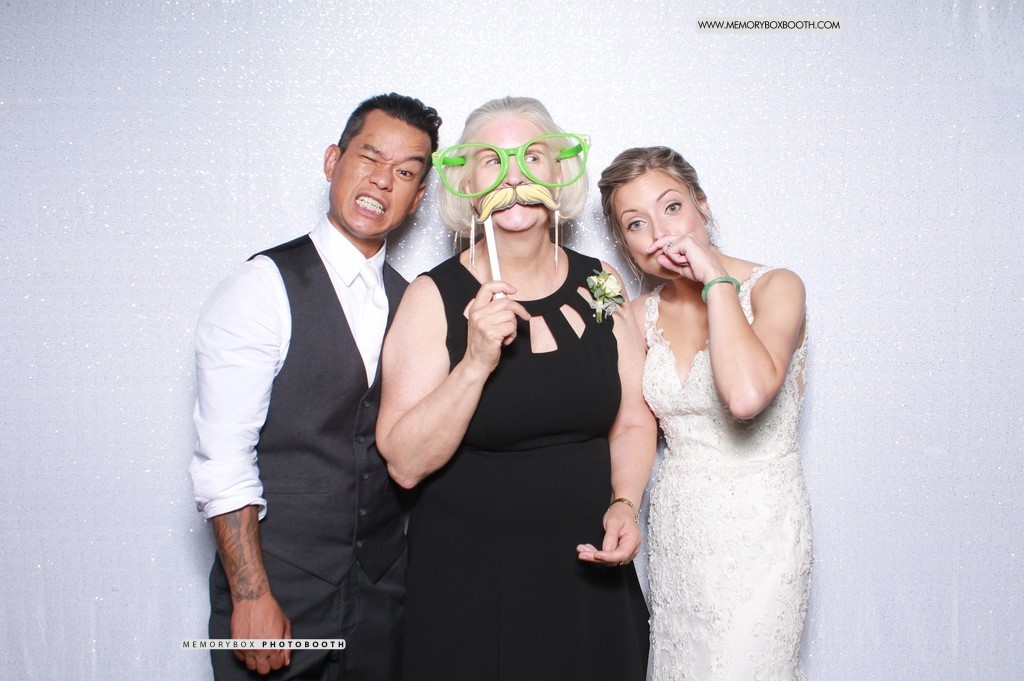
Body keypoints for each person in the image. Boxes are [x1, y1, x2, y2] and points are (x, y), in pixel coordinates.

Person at [375, 96, 654, 680]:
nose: (514, 177)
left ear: (558, 172)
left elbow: (631, 418)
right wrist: (476, 361)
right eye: (491, 161)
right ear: (468, 186)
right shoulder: (432, 297)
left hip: (587, 577)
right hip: (471, 588)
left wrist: (625, 503)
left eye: (531, 157)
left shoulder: (601, 282)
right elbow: (404, 464)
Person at [188, 92, 441, 680]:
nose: (382, 181)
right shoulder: (262, 287)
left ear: (419, 197)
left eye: (405, 172)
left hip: (381, 595)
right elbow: (223, 457)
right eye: (369, 157)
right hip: (280, 591)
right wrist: (250, 594)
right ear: (333, 161)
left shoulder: (414, 301)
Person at [598, 146, 813, 680]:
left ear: (703, 205)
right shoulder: (637, 316)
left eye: (672, 208)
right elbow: (630, 423)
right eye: (636, 223)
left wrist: (715, 278)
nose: (660, 234)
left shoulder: (776, 287)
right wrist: (624, 504)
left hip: (760, 530)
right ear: (624, 242)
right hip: (679, 530)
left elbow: (745, 397)